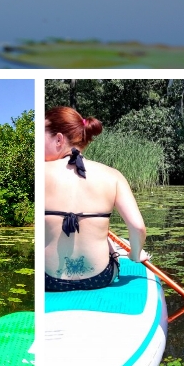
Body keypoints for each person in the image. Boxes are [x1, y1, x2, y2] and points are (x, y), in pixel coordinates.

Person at [44, 107, 149, 292]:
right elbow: (138, 227)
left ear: (59, 139)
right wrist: (135, 254)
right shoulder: (113, 175)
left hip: (48, 280)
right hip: (99, 278)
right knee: (107, 242)